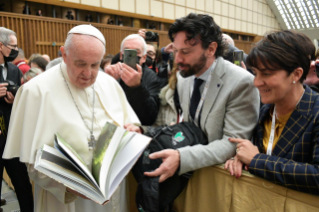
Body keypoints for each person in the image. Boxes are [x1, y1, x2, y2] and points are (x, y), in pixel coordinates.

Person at [2, 24, 140, 212]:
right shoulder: (35, 91)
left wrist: (132, 130)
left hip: (113, 192)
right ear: (64, 54)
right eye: (81, 63)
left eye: (95, 64)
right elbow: (32, 159)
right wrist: (68, 186)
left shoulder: (109, 83)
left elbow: (129, 123)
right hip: (67, 200)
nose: (89, 73)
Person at [144, 13, 260, 183]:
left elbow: (233, 142)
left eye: (185, 52)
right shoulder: (184, 76)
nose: (178, 59)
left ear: (211, 49)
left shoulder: (241, 82)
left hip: (220, 181)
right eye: (175, 51)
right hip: (189, 176)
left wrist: (182, 158)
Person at [224, 30, 319, 195]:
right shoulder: (265, 111)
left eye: (266, 73)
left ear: (296, 74)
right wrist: (241, 158)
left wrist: (257, 161)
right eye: (255, 73)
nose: (256, 82)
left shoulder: (315, 111)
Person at [0, 27, 33, 212]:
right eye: (12, 46)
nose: (15, 50)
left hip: (12, 135)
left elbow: (20, 99)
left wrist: (14, 101)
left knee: (22, 183)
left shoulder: (14, 70)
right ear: (0, 46)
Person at [105, 34, 163, 125]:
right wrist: (107, 81)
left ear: (144, 58)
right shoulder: (113, 72)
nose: (132, 55)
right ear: (121, 55)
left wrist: (137, 87)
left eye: (137, 52)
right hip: (111, 124)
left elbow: (149, 117)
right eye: (127, 51)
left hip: (135, 128)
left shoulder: (151, 77)